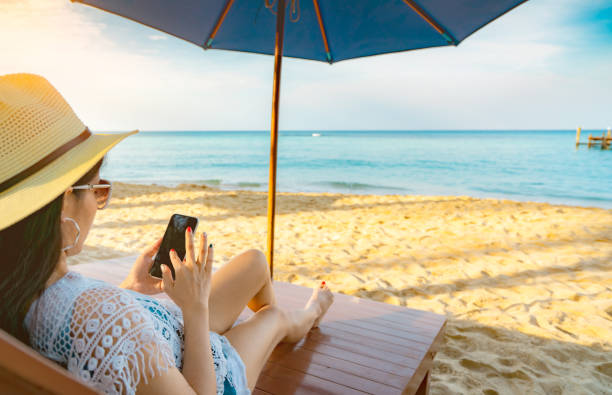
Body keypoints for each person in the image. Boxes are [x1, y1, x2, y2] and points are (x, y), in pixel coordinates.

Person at [0, 73, 334, 395]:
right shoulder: (100, 311)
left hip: (164, 332)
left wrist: (132, 289)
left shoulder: (22, 290)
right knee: (273, 316)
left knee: (255, 263)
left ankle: (278, 328)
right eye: (98, 189)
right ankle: (312, 312)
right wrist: (195, 307)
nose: (100, 201)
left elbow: (96, 335)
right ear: (62, 203)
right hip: (204, 365)